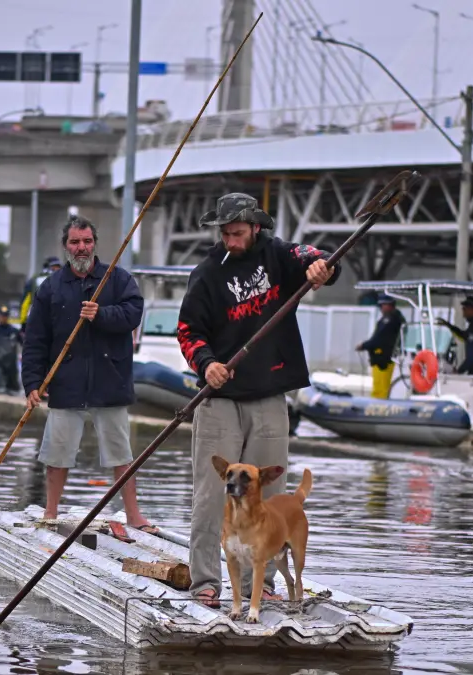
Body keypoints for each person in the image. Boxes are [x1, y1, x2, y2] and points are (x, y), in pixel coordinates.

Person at [176, 192, 339, 608]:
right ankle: (206, 580)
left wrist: (322, 269)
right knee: (213, 495)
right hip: (220, 397)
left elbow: (314, 257)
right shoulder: (207, 273)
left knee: (267, 494)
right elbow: (188, 331)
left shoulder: (280, 255)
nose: (231, 241)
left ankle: (258, 584)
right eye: (225, 234)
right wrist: (206, 363)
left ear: (255, 228)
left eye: (238, 233)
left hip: (268, 393)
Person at [20, 215, 154, 532]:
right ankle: (50, 512)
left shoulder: (118, 279)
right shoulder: (49, 288)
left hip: (111, 381)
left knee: (121, 453)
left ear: (95, 243)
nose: (82, 248)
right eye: (75, 242)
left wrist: (101, 314)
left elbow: (134, 313)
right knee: (57, 453)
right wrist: (32, 384)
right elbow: (35, 341)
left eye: (87, 241)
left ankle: (134, 515)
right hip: (65, 384)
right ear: (66, 246)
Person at [356, 293, 407, 399]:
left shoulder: (391, 320)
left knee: (381, 390)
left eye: (382, 305)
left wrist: (364, 345)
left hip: (383, 360)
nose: (381, 308)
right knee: (377, 389)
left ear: (389, 305)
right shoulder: (393, 318)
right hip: (380, 359)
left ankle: (379, 409)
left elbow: (379, 339)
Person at [436, 296, 473, 375]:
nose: (463, 309)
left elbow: (472, 357)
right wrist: (449, 326)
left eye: (466, 307)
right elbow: (464, 337)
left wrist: (458, 371)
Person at [19, 256, 63, 324]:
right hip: (47, 319)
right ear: (47, 267)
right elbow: (25, 302)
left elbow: (25, 302)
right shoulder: (61, 280)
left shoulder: (34, 280)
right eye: (55, 266)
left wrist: (23, 322)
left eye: (58, 266)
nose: (57, 269)